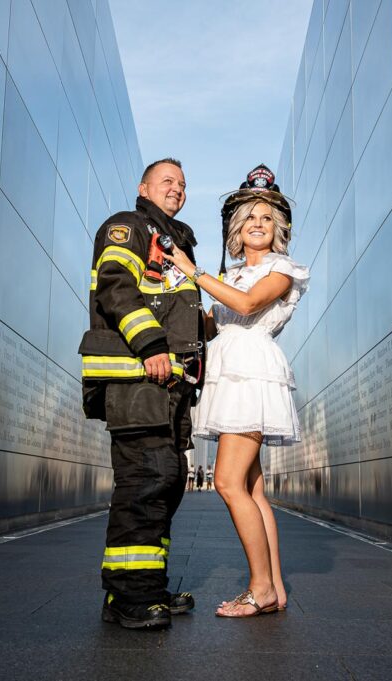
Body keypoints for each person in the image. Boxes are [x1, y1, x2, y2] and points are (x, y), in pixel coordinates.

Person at [163, 164, 308, 618]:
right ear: (236, 229)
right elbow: (212, 323)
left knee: (226, 481)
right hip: (230, 371)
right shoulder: (233, 275)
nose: (258, 224)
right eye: (250, 217)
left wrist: (193, 270)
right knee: (253, 489)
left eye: (266, 217)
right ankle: (276, 588)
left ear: (278, 228)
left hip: (252, 374)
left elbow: (246, 306)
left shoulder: (282, 270)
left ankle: (260, 588)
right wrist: (177, 290)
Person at [80, 158, 206, 630]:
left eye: (183, 184)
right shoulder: (127, 228)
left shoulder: (176, 242)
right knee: (145, 481)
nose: (177, 189)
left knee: (167, 481)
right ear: (144, 187)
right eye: (168, 181)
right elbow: (116, 288)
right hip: (137, 378)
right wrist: (151, 344)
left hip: (169, 387)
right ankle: (127, 596)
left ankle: (148, 586)